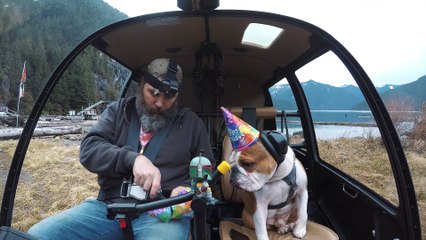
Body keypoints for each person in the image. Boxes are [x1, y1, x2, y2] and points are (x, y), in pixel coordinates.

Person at [28, 58, 215, 240]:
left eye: (169, 97)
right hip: (108, 209)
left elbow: (207, 170)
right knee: (38, 234)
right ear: (142, 84)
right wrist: (132, 159)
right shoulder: (118, 111)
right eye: (153, 93)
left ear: (177, 96)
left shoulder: (192, 124)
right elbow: (89, 148)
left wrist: (185, 189)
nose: (159, 103)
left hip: (163, 214)